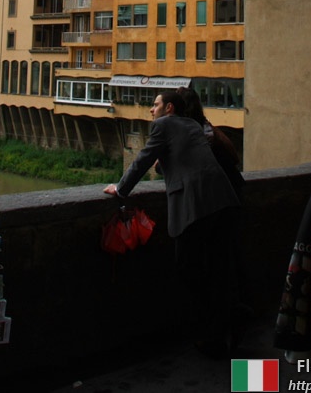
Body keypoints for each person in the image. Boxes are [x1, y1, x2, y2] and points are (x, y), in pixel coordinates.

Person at [104, 88, 242, 356]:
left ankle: (217, 326)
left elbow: (143, 159)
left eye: (155, 104)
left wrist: (121, 189)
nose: (151, 109)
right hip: (223, 200)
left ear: (169, 109)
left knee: (187, 266)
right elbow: (181, 156)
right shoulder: (192, 125)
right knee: (217, 269)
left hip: (196, 204)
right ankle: (227, 321)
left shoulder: (164, 125)